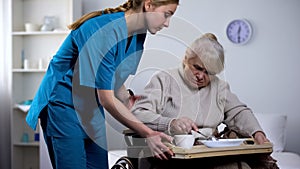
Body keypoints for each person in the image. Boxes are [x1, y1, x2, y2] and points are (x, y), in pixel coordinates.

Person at [25, 0, 179, 169]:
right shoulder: (101, 30)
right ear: (148, 5)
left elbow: (111, 78)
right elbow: (106, 98)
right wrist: (147, 133)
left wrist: (128, 101)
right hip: (63, 105)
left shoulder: (138, 35)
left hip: (91, 109)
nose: (167, 23)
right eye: (167, 14)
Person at [131, 33, 278, 168]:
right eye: (197, 68)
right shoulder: (164, 79)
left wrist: (257, 132)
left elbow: (238, 112)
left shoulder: (219, 87)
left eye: (209, 73)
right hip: (172, 157)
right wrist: (171, 123)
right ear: (186, 59)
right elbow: (138, 112)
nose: (201, 76)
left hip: (208, 155)